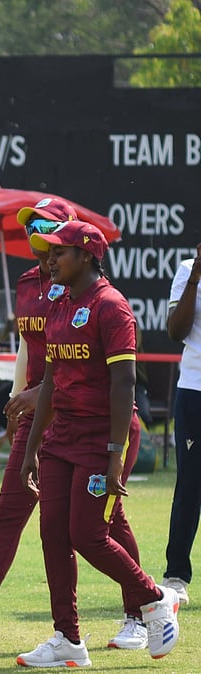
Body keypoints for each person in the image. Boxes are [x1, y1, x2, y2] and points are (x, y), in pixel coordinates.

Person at [0, 199, 145, 651]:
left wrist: (39, 399)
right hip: (42, 411)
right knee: (13, 513)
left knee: (103, 525)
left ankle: (142, 612)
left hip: (86, 417)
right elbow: (30, 349)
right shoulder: (28, 284)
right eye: (31, 227)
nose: (36, 236)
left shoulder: (89, 292)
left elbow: (98, 373)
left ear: (73, 238)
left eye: (46, 227)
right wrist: (17, 401)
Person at [16, 221, 180, 667]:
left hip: (100, 437)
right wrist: (31, 448)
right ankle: (67, 639)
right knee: (52, 534)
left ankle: (155, 599)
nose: (50, 261)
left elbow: (124, 383)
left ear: (87, 255)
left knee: (87, 536)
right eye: (48, 254)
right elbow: (50, 382)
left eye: (59, 253)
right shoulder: (58, 303)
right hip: (60, 436)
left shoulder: (112, 307)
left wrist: (114, 454)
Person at [164, 242, 201, 607]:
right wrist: (195, 277)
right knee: (190, 485)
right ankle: (176, 575)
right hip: (195, 391)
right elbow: (176, 331)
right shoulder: (188, 270)